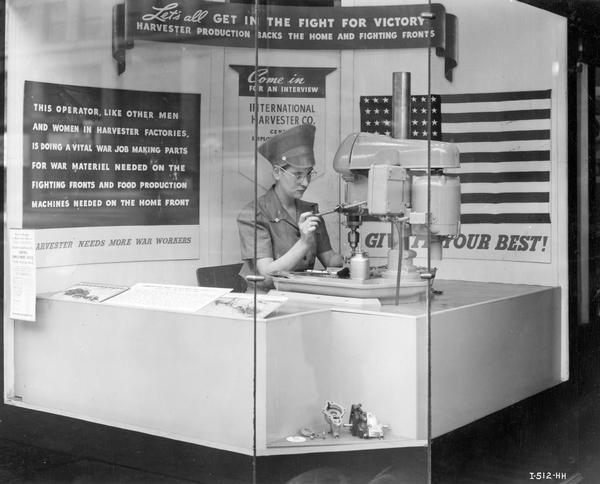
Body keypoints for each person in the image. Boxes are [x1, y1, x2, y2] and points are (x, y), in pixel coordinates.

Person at [237, 124, 343, 291]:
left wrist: (355, 261)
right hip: (266, 300)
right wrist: (304, 242)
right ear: (277, 173)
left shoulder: (310, 212)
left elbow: (330, 260)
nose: (306, 182)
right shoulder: (253, 214)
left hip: (301, 296)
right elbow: (266, 276)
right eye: (298, 175)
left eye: (309, 173)